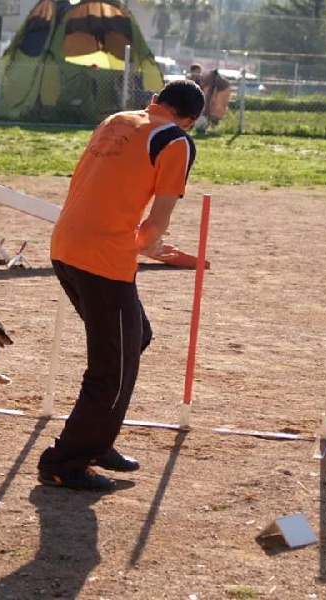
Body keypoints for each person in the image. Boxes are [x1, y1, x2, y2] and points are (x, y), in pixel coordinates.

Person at [37, 79, 205, 491]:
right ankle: (65, 462)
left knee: (136, 337)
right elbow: (158, 220)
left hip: (65, 244)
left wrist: (137, 244)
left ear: (156, 101)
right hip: (103, 259)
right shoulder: (176, 141)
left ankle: (97, 442)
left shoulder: (117, 120)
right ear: (192, 120)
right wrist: (145, 245)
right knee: (110, 369)